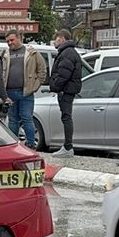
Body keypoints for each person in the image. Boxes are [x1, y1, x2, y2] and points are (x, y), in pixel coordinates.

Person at [1, 30, 47, 148]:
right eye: (7, 41)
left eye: (12, 40)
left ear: (19, 38)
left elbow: (42, 71)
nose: (10, 43)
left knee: (27, 118)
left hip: (26, 92)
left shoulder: (32, 53)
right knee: (12, 120)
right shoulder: (5, 53)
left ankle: (31, 144)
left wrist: (34, 87)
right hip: (10, 92)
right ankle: (14, 145)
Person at [50, 29, 83, 158]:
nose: (54, 42)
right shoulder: (69, 52)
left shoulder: (67, 53)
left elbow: (63, 74)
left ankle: (68, 147)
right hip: (67, 89)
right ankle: (67, 146)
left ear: (62, 38)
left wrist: (56, 86)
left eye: (56, 39)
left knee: (66, 117)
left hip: (66, 91)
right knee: (66, 117)